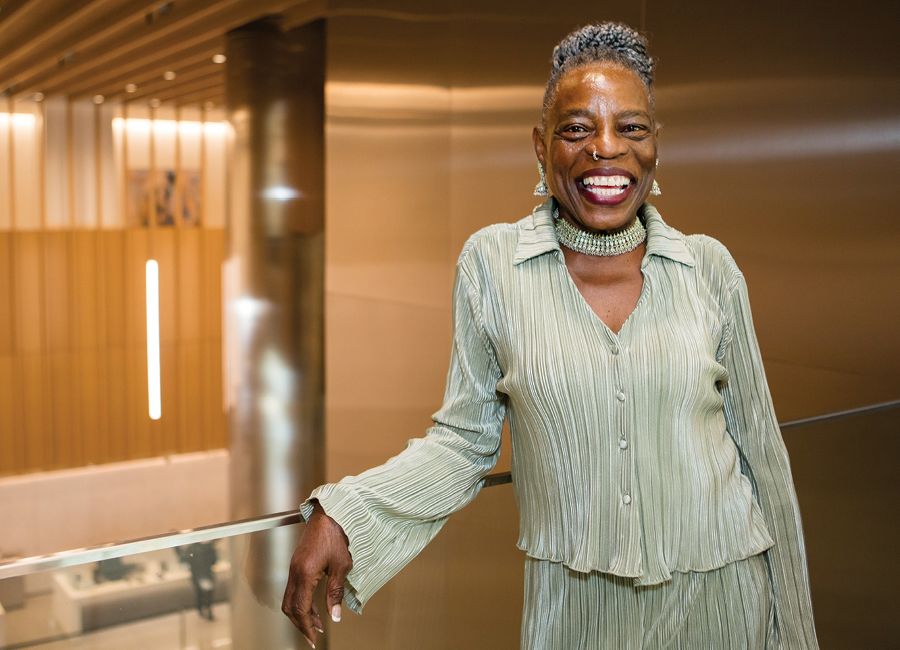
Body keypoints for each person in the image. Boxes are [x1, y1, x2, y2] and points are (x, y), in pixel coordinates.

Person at [282, 22, 819, 649]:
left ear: (655, 145)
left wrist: (796, 635)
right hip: (574, 618)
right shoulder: (493, 265)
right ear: (541, 146)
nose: (606, 148)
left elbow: (763, 462)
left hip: (726, 606)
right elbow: (463, 443)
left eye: (631, 127)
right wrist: (346, 511)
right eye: (577, 129)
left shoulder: (710, 269)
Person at [176, 541, 218, 621]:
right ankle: (207, 610)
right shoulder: (207, 548)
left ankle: (201, 611)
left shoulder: (190, 549)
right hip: (206, 575)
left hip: (197, 576)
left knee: (200, 594)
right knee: (208, 595)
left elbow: (184, 561)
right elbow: (213, 561)